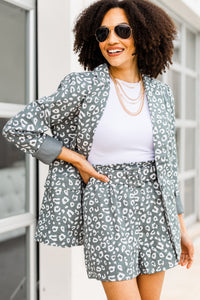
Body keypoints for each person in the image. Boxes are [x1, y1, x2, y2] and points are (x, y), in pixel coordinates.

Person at [2, 0, 195, 299]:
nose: (111, 40)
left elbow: (168, 165)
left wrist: (179, 226)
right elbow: (19, 126)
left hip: (157, 208)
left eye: (122, 30)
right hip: (107, 202)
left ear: (143, 34)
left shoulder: (161, 93)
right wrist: (75, 158)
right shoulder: (84, 86)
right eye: (103, 33)